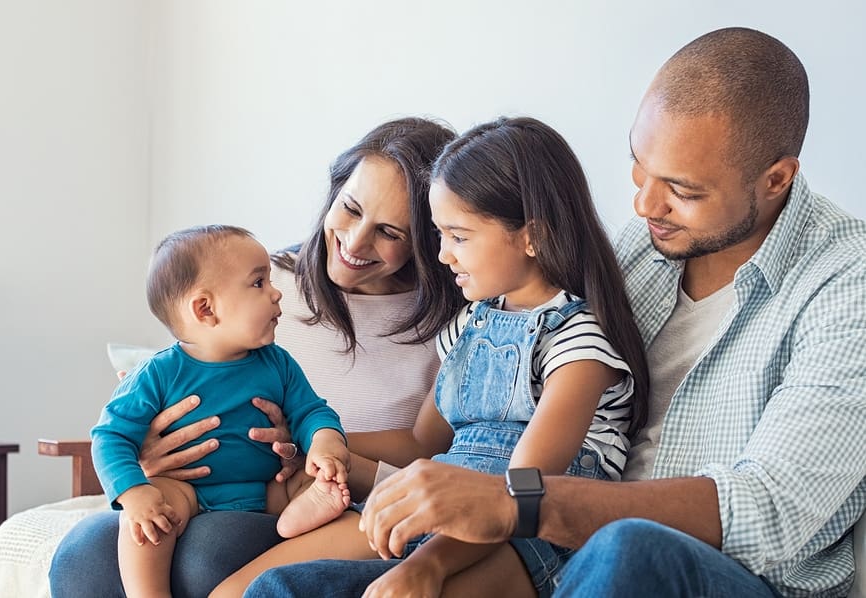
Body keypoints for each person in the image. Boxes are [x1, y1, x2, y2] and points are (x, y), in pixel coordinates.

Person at [247, 27, 866, 598]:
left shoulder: (845, 283)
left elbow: (769, 511)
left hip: (707, 572)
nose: (645, 203)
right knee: (284, 590)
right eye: (639, 166)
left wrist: (519, 502)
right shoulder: (640, 251)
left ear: (777, 179)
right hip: (559, 547)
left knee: (629, 550)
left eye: (683, 190)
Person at [207, 116, 650, 598]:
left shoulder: (577, 344)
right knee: (245, 590)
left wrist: (427, 566)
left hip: (523, 536)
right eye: (439, 235)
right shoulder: (470, 325)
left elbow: (523, 493)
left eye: (457, 237)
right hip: (437, 504)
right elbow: (422, 440)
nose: (441, 256)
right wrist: (316, 439)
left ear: (532, 237)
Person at [49, 117, 465, 598]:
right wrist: (146, 456)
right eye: (349, 209)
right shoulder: (256, 284)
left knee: (207, 552)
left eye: (390, 232)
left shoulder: (453, 326)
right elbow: (145, 406)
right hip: (195, 483)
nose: (354, 243)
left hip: (306, 491)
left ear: (429, 238)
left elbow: (436, 448)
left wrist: (316, 445)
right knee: (84, 553)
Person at [92, 225, 351, 597]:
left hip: (269, 488)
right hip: (189, 491)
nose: (277, 293)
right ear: (206, 308)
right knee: (148, 520)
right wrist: (134, 494)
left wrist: (326, 446)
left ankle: (300, 515)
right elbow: (110, 436)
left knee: (315, 482)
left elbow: (311, 412)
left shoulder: (277, 363)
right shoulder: (159, 373)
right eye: (259, 283)